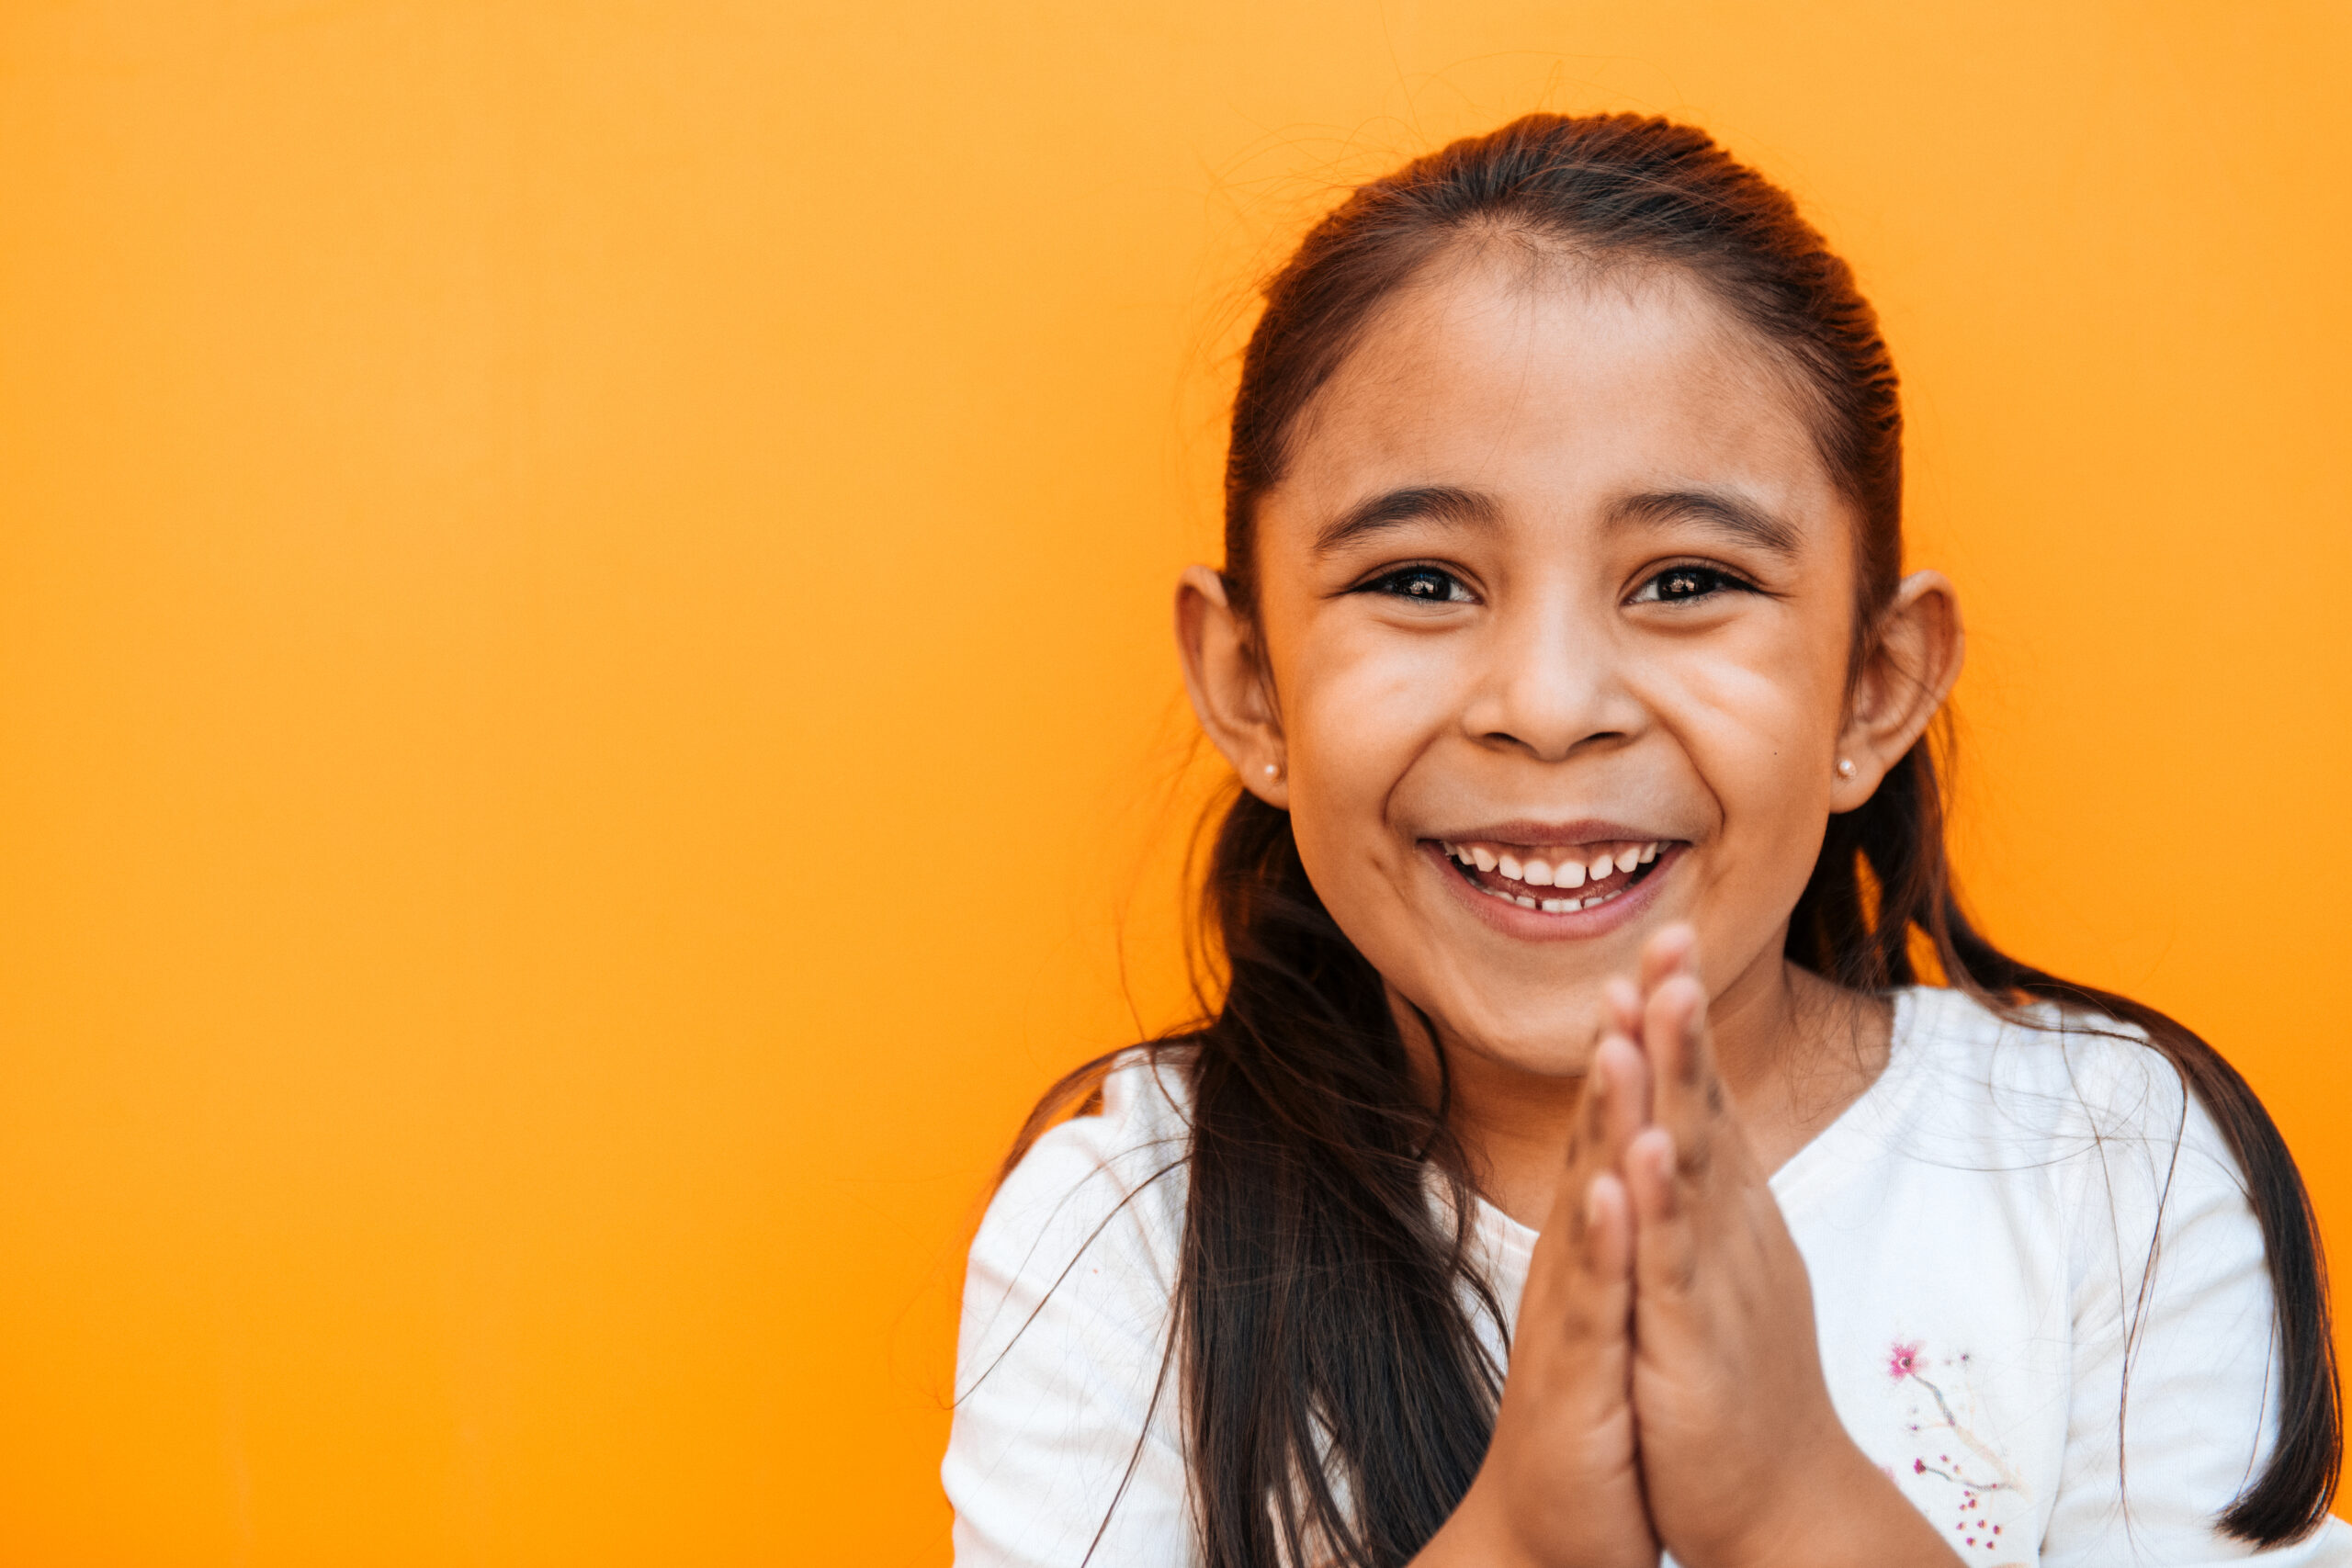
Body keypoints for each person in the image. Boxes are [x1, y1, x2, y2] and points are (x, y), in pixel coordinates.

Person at [940, 112, 2346, 1568]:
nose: (1549, 707)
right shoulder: (1126, 1235)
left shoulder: (2103, 1169)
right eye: (1422, 580)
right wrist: (1527, 1543)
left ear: (1874, 684)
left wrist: (1799, 1501)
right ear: (1251, 685)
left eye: (1685, 578)